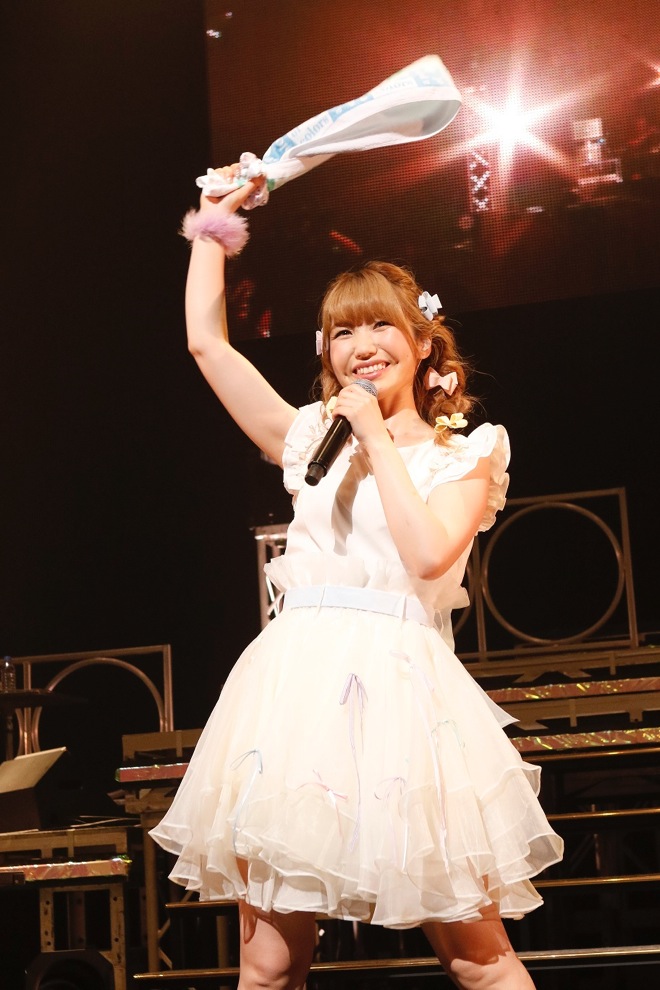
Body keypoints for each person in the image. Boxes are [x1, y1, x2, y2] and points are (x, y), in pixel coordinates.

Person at [150, 164, 564, 990]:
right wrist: (213, 223)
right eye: (342, 332)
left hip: (406, 701)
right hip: (295, 696)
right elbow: (206, 343)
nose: (361, 345)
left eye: (380, 326)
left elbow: (427, 556)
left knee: (477, 958)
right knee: (269, 963)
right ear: (325, 351)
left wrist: (376, 435)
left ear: (422, 343)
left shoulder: (464, 455)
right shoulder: (307, 437)